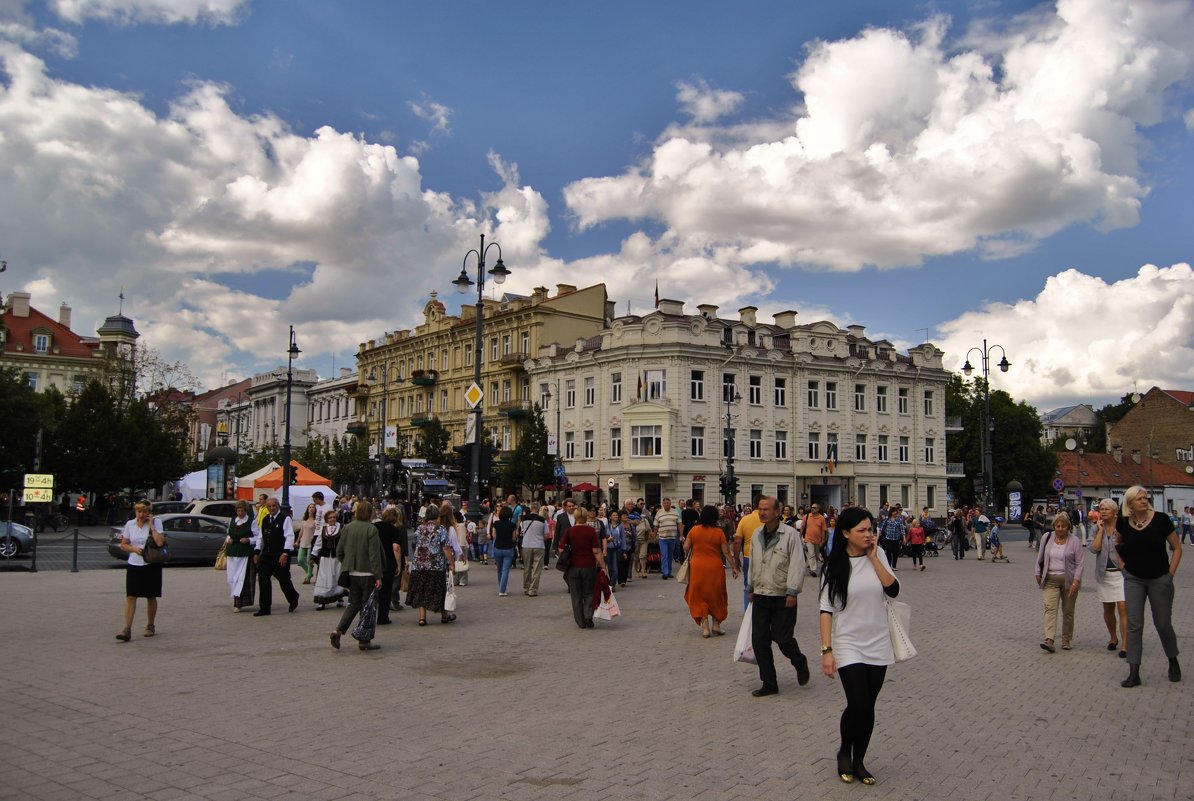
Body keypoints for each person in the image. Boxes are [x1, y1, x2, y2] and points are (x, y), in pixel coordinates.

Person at [819, 506, 899, 786]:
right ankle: (844, 751)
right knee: (859, 702)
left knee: (868, 707)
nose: (868, 535)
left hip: (878, 641)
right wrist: (827, 651)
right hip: (848, 643)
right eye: (862, 530)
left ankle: (859, 761)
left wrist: (874, 558)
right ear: (845, 533)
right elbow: (826, 609)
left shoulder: (879, 555)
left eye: (871, 529)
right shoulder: (834, 564)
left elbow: (893, 589)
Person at [1115, 485, 1182, 687]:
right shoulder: (1124, 522)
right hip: (1134, 578)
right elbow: (1117, 544)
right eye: (1139, 498)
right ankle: (1134, 672)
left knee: (1162, 623)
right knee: (1134, 625)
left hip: (1160, 578)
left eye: (1145, 497)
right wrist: (1122, 566)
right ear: (1130, 504)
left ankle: (1173, 659)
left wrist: (1170, 574)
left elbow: (1177, 547)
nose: (1144, 501)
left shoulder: (1161, 520)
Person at [745, 496, 810, 697]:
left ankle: (799, 661)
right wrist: (751, 587)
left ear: (777, 511)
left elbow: (798, 563)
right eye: (760, 509)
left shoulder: (790, 534)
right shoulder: (756, 534)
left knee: (783, 638)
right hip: (762, 593)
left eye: (766, 509)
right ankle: (769, 683)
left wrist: (793, 590)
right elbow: (753, 562)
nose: (762, 512)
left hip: (783, 595)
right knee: (759, 641)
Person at [329, 500, 385, 651]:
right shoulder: (371, 529)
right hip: (368, 573)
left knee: (353, 603)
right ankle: (364, 639)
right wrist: (378, 575)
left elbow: (339, 551)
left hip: (352, 572)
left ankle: (338, 630)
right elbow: (374, 555)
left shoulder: (347, 528)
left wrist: (347, 563)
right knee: (368, 607)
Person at [683, 505, 738, 638]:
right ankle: (716, 625)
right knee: (717, 595)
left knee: (699, 595)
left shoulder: (694, 530)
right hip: (715, 567)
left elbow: (686, 547)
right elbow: (726, 552)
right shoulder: (718, 532)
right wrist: (734, 567)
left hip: (697, 567)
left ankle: (705, 627)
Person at [115, 500, 165, 642]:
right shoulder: (130, 524)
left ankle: (150, 625)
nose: (141, 514)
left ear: (149, 512)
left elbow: (160, 542)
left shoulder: (156, 523)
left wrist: (151, 526)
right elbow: (124, 544)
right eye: (139, 511)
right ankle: (127, 629)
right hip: (134, 564)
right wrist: (134, 549)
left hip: (151, 564)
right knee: (131, 596)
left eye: (144, 512)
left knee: (151, 595)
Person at [1034, 512, 1084, 653]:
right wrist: (1037, 572)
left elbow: (1080, 564)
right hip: (1050, 579)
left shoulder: (1074, 541)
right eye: (1057, 526)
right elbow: (1040, 556)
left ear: (1068, 527)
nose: (1060, 528)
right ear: (1054, 526)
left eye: (1063, 526)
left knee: (1068, 611)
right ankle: (1049, 639)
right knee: (1050, 609)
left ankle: (1066, 638)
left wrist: (1076, 582)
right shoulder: (1047, 537)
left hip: (1069, 580)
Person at [1089, 498, 1127, 659]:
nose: (1103, 512)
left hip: (1121, 573)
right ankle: (1113, 637)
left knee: (1123, 608)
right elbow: (1093, 549)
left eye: (1106, 509)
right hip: (1104, 573)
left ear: (1114, 511)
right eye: (1101, 509)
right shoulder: (1095, 528)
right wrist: (1100, 531)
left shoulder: (1123, 527)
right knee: (1108, 609)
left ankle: (1125, 644)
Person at [407, 505, 456, 625]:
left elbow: (414, 545)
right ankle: (444, 615)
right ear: (437, 516)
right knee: (439, 589)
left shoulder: (419, 529)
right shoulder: (440, 529)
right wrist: (451, 563)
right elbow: (445, 547)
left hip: (419, 565)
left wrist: (417, 557)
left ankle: (422, 618)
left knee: (421, 590)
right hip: (436, 565)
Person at [559, 507, 603, 629]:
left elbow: (561, 549)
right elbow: (596, 551)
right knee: (589, 593)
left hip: (573, 567)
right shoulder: (591, 531)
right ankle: (588, 615)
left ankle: (580, 621)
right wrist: (603, 566)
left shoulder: (569, 531)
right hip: (589, 566)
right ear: (586, 517)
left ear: (575, 517)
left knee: (576, 595)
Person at [374, 506, 406, 624]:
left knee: (374, 590)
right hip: (388, 562)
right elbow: (396, 548)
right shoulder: (393, 530)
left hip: (375, 561)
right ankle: (383, 617)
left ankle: (369, 614)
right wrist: (398, 564)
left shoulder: (375, 527)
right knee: (386, 591)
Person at [224, 500, 256, 611]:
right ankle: (236, 600)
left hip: (245, 553)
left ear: (246, 511)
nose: (240, 513)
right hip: (233, 553)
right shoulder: (233, 520)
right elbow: (228, 534)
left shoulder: (251, 521)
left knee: (242, 578)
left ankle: (240, 603)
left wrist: (249, 539)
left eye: (242, 511)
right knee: (233, 577)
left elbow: (258, 537)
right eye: (238, 511)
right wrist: (229, 539)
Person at [732, 498, 763, 609]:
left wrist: (736, 559)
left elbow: (737, 541)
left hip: (748, 556)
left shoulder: (745, 520)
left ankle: (748, 611)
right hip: (766, 557)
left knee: (748, 586)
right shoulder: (769, 519)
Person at [312, 510, 347, 609]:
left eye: (334, 517)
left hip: (337, 559)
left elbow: (345, 543)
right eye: (330, 518)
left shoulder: (341, 528)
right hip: (325, 558)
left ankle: (340, 598)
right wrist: (313, 556)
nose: (332, 519)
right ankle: (322, 600)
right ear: (326, 519)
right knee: (324, 578)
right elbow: (318, 544)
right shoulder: (323, 530)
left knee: (337, 577)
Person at [519, 501, 547, 596]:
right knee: (536, 569)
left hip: (526, 545)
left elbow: (522, 531)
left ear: (530, 509)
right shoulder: (543, 520)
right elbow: (546, 535)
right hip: (539, 546)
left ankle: (526, 587)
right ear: (539, 509)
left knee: (527, 568)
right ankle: (533, 589)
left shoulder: (523, 519)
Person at [490, 504, 518, 597]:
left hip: (498, 547)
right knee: (505, 570)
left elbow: (494, 536)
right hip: (509, 548)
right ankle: (502, 590)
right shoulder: (512, 525)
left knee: (499, 569)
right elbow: (514, 538)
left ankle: (501, 587)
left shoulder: (496, 524)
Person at [652, 498, 682, 579]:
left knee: (670, 556)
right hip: (662, 538)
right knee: (664, 555)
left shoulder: (675, 512)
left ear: (670, 503)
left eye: (668, 503)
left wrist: (681, 535)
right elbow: (656, 526)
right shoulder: (659, 512)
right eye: (665, 503)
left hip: (672, 537)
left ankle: (669, 571)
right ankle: (665, 572)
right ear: (663, 504)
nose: (666, 504)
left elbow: (679, 524)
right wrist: (654, 537)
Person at [803, 504, 828, 577]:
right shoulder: (807, 516)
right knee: (811, 554)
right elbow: (802, 527)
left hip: (818, 540)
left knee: (817, 556)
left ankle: (811, 569)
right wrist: (800, 536)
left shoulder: (821, 518)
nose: (812, 509)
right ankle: (814, 570)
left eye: (814, 508)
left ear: (818, 509)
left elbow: (824, 530)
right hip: (808, 539)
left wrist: (822, 541)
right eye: (811, 507)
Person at [605, 510, 628, 587]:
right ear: (610, 517)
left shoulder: (620, 526)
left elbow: (623, 538)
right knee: (610, 568)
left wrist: (624, 551)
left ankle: (612, 585)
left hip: (617, 549)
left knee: (615, 568)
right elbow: (603, 538)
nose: (615, 517)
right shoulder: (607, 526)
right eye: (614, 515)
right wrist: (608, 540)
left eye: (617, 515)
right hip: (608, 548)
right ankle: (611, 583)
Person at [878, 506, 905, 570]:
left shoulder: (899, 519)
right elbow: (883, 527)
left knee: (895, 552)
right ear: (891, 512)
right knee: (889, 552)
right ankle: (888, 566)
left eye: (896, 511)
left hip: (896, 538)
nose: (895, 512)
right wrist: (880, 533)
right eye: (894, 511)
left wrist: (904, 537)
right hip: (888, 538)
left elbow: (902, 529)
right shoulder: (887, 519)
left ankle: (894, 566)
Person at [297, 503, 318, 584]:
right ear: (307, 509)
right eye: (310, 507)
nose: (311, 508)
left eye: (313, 507)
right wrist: (297, 541)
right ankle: (309, 572)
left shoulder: (316, 521)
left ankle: (308, 577)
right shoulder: (304, 520)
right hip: (303, 541)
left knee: (309, 560)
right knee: (300, 559)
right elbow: (301, 531)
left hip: (311, 543)